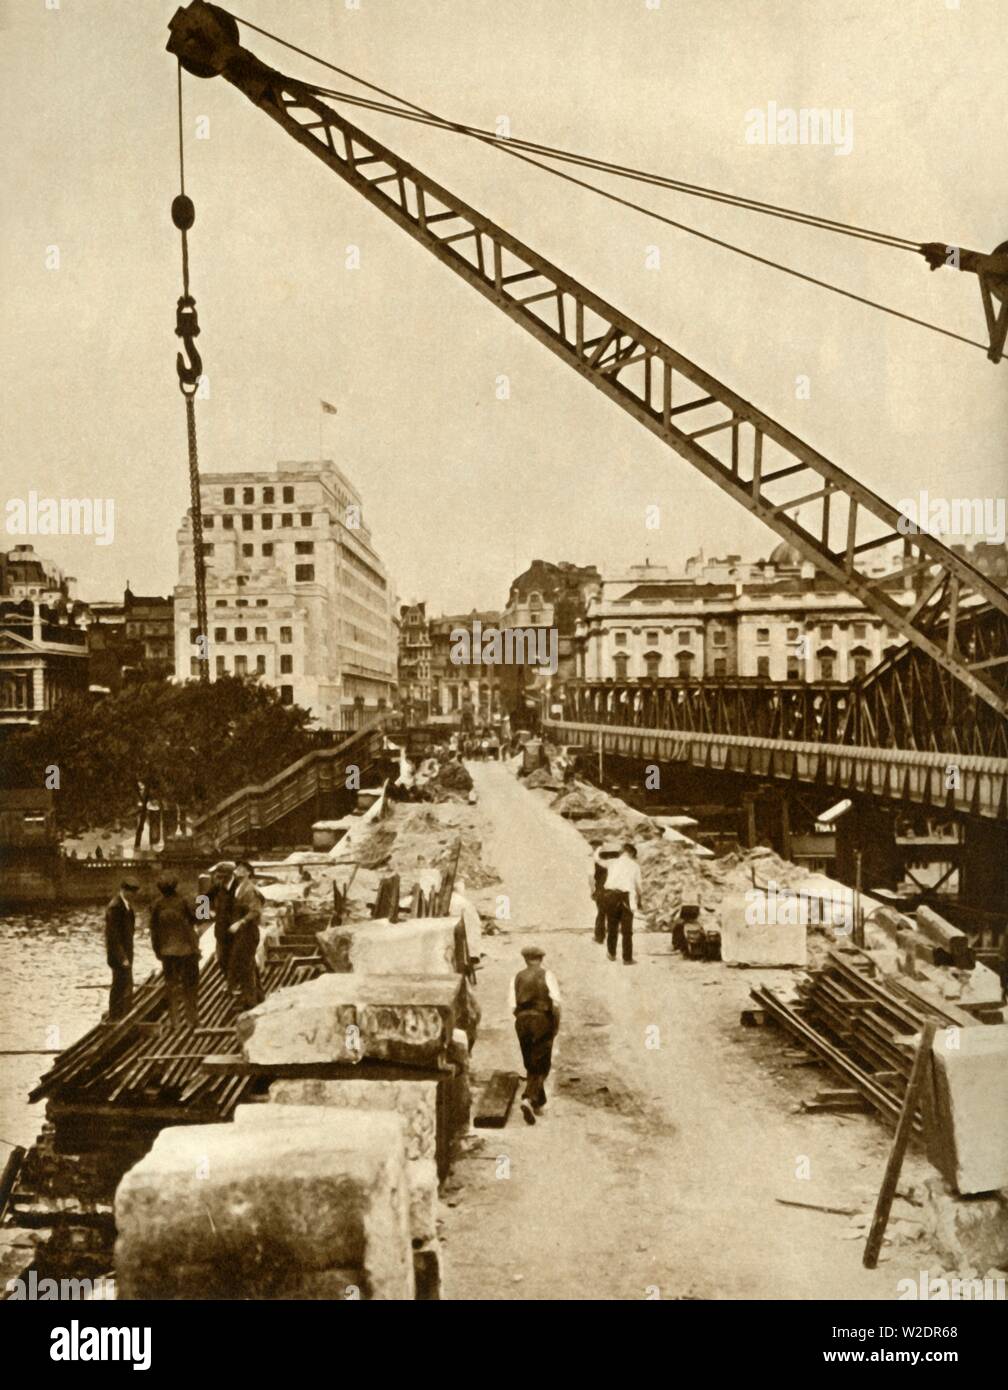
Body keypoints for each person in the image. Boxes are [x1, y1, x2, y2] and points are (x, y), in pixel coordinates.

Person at [508, 944, 561, 1125]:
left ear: (525, 959)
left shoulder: (516, 977)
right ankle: (528, 1099)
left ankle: (538, 1101)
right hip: (542, 1020)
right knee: (541, 1064)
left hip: (522, 1021)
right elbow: (556, 1004)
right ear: (541, 959)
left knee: (531, 1061)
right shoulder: (547, 975)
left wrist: (523, 1018)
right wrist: (555, 1025)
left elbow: (512, 1006)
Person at [149, 876, 201, 1030]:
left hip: (167, 953)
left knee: (171, 987)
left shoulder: (156, 905)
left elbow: (154, 932)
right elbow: (200, 919)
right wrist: (205, 898)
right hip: (187, 952)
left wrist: (158, 951)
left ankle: (175, 1022)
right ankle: (192, 1020)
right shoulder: (185, 901)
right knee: (190, 987)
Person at [227, 860, 264, 1011]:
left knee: (244, 964)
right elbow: (204, 898)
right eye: (237, 868)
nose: (237, 870)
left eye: (241, 869)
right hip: (236, 933)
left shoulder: (248, 889)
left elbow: (255, 910)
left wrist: (240, 922)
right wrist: (203, 914)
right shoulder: (235, 888)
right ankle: (258, 995)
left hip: (246, 932)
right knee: (248, 964)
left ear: (248, 873)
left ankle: (250, 1001)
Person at [601, 841, 643, 964]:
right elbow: (638, 885)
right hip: (626, 898)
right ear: (631, 853)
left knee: (612, 925)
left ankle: (611, 953)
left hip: (610, 895)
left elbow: (599, 861)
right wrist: (640, 898)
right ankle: (627, 958)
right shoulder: (635, 866)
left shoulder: (612, 863)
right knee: (627, 929)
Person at [104, 879, 139, 1020]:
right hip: (119, 955)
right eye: (131, 892)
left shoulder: (126, 906)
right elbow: (113, 936)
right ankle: (116, 1016)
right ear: (124, 890)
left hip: (126, 953)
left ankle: (123, 1014)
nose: (133, 895)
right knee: (120, 985)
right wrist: (122, 957)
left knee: (125, 984)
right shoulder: (116, 907)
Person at [210, 861, 238, 978]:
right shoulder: (218, 886)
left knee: (236, 956)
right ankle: (228, 978)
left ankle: (235, 981)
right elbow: (203, 897)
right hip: (221, 927)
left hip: (236, 927)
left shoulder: (239, 885)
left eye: (222, 876)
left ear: (230, 875)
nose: (219, 879)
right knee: (222, 957)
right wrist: (206, 914)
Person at [590, 841, 621, 945]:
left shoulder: (599, 864)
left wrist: (593, 891)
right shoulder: (620, 865)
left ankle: (599, 937)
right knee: (613, 916)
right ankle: (612, 939)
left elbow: (594, 878)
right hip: (616, 892)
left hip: (602, 892)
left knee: (601, 914)